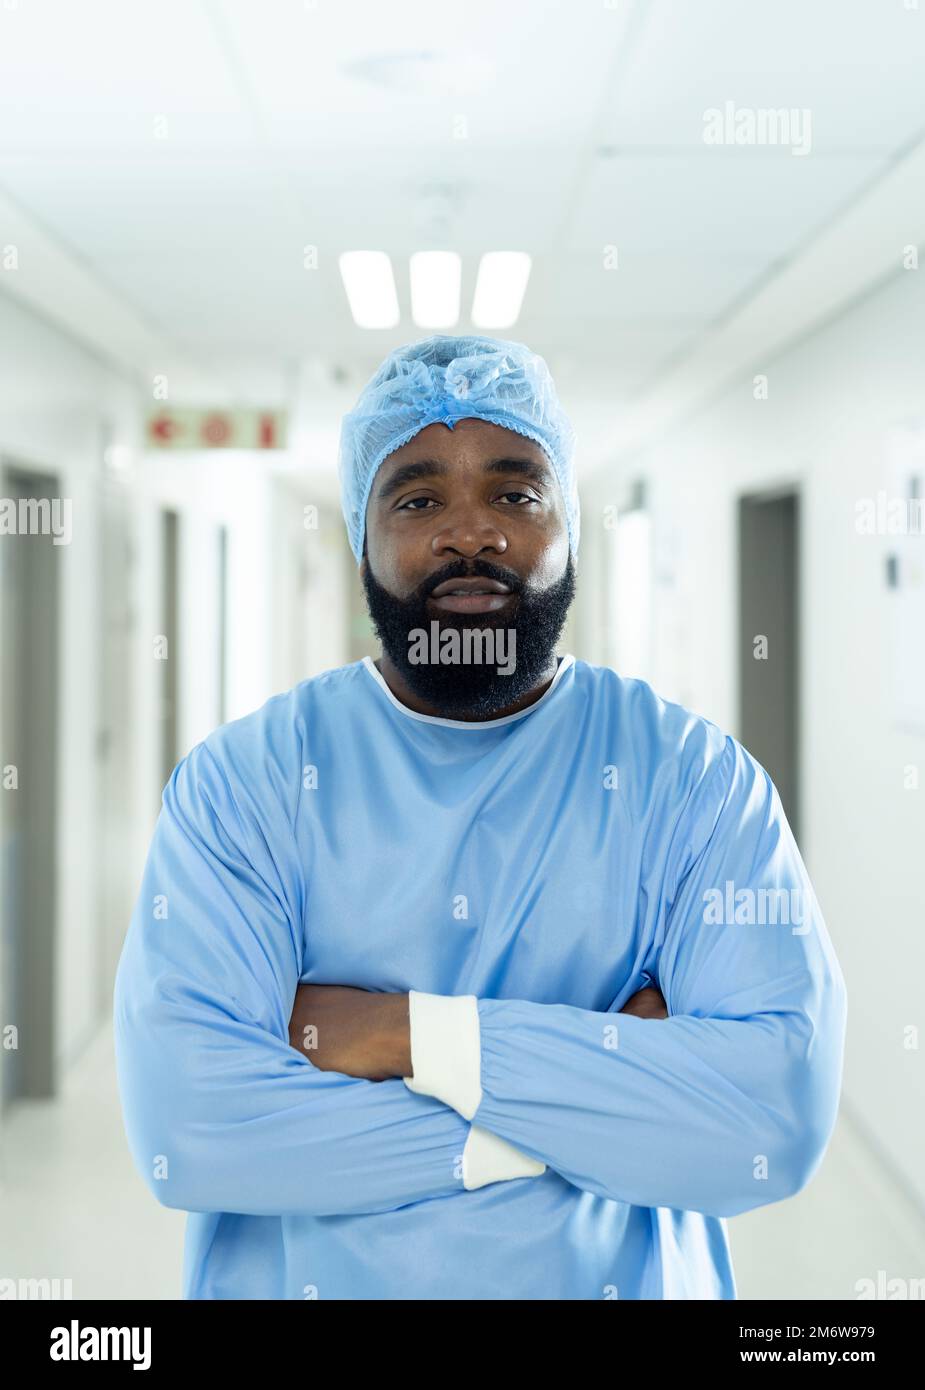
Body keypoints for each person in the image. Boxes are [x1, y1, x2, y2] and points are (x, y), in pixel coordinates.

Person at [113, 334, 847, 1300]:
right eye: (417, 500)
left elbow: (767, 1122)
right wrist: (592, 1097)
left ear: (568, 524)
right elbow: (191, 1130)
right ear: (359, 537)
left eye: (516, 493)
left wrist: (404, 1037)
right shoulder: (244, 786)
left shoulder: (694, 782)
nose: (470, 534)